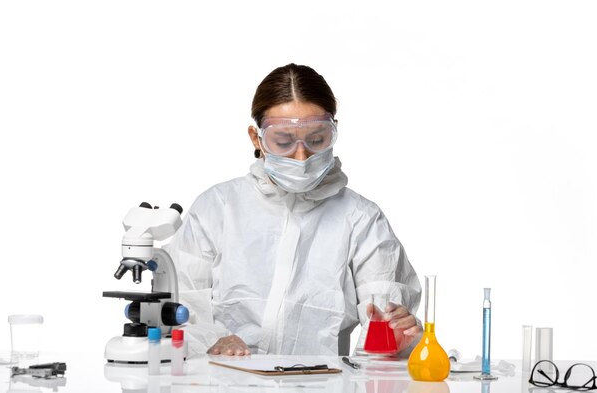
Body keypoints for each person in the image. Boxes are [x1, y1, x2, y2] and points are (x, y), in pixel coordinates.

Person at [167, 63, 423, 357]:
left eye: (317, 140)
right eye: (284, 141)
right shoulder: (216, 209)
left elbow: (385, 328)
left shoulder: (361, 219)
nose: (301, 156)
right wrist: (211, 342)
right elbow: (178, 311)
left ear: (334, 132)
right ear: (256, 139)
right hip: (225, 383)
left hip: (322, 386)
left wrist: (397, 343)